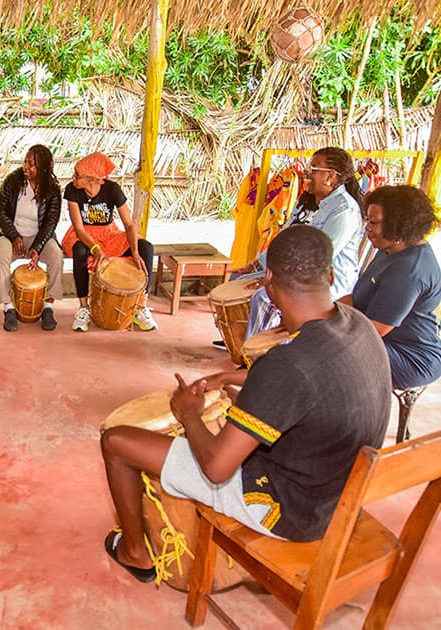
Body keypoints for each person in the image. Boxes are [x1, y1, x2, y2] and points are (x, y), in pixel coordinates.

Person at [100, 225, 390, 582]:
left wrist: (189, 413)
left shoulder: (286, 365)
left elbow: (217, 468)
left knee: (116, 442)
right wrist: (227, 378)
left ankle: (135, 554)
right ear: (329, 275)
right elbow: (309, 386)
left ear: (268, 278)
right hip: (339, 496)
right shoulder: (358, 326)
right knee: (236, 405)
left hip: (292, 513)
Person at [228, 147, 363, 342]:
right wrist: (256, 265)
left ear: (331, 177)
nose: (307, 174)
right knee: (237, 278)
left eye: (313, 169)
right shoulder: (307, 202)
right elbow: (283, 240)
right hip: (292, 272)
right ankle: (237, 340)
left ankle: (255, 355)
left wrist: (275, 280)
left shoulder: (344, 210)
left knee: (263, 297)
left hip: (323, 281)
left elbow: (319, 257)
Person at [341, 185, 441, 390]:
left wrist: (319, 326)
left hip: (409, 357)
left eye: (373, 222)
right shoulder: (390, 249)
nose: (366, 227)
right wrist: (318, 310)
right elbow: (357, 298)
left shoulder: (410, 269)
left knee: (328, 355)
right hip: (383, 340)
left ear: (398, 225)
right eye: (367, 220)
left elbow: (372, 331)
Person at [61, 152, 157, 332]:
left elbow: (129, 224)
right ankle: (84, 307)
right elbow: (79, 229)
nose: (73, 177)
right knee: (80, 251)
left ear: (93, 179)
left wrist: (135, 252)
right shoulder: (72, 190)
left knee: (146, 248)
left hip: (109, 233)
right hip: (84, 235)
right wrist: (95, 248)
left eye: (77, 175)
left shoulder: (112, 189)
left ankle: (140, 305)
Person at [0, 145, 63, 332]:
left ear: (43, 168)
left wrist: (37, 247)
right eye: (25, 162)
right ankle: (9, 308)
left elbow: (51, 222)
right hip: (11, 235)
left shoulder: (52, 189)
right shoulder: (14, 180)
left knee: (56, 255)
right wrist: (13, 236)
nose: (25, 167)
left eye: (31, 164)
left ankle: (48, 307)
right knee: (0, 254)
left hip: (39, 237)